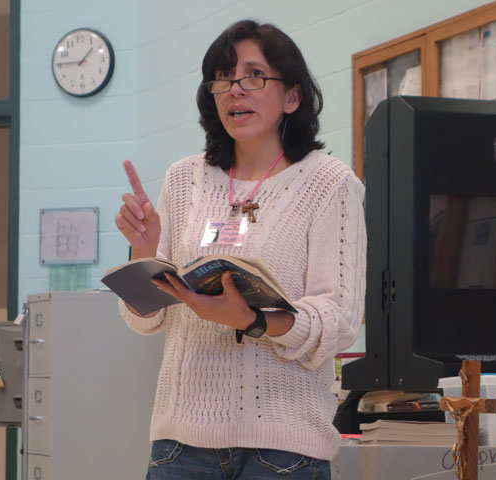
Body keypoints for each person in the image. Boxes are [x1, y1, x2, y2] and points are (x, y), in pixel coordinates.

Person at [114, 19, 366, 479]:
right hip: (179, 449)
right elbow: (144, 319)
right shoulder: (184, 178)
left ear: (292, 96)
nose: (236, 90)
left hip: (284, 454)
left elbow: (341, 320)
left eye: (254, 76)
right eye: (223, 78)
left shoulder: (330, 184)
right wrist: (143, 250)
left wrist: (253, 321)